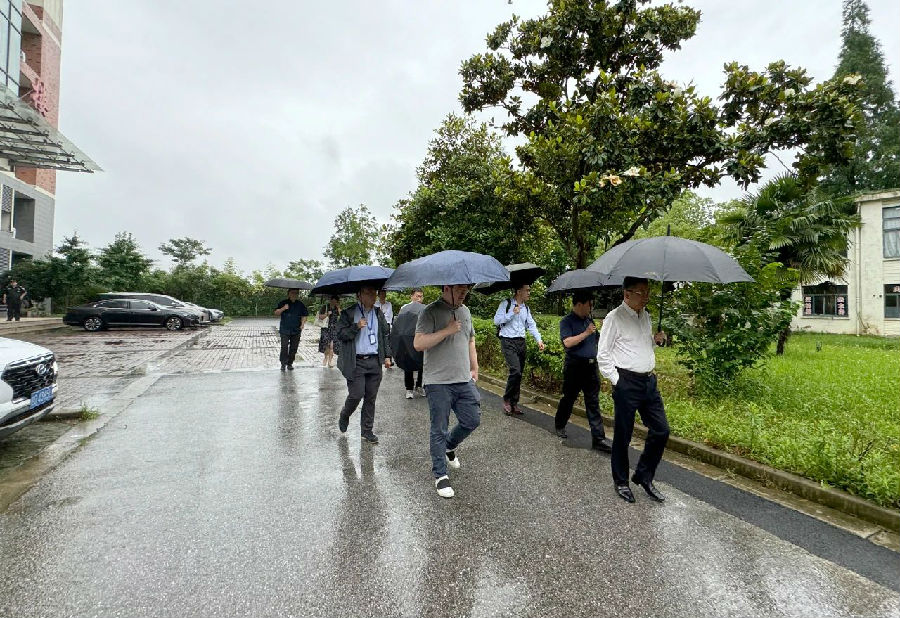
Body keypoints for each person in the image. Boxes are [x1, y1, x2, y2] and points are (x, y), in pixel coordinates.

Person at [596, 277, 670, 504]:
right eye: (642, 293)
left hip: (648, 382)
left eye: (647, 293)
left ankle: (644, 476)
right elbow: (603, 354)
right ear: (627, 294)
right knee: (623, 435)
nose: (646, 297)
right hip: (626, 382)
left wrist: (656, 341)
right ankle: (621, 481)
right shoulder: (614, 318)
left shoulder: (645, 315)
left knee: (661, 430)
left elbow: (643, 345)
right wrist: (617, 380)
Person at [414, 284, 480, 499]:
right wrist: (446, 330)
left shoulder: (465, 310)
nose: (463, 293)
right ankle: (440, 475)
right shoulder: (430, 312)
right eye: (460, 289)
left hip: (463, 379)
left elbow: (470, 339)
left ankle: (449, 446)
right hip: (438, 382)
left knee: (472, 420)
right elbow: (418, 343)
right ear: (446, 288)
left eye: (466, 290)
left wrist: (474, 366)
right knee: (438, 429)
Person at [554, 291, 613, 453]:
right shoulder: (566, 321)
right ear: (580, 304)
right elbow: (567, 342)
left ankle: (598, 438)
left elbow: (598, 340)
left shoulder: (589, 319)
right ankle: (560, 424)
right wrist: (586, 333)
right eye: (589, 304)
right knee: (569, 398)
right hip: (574, 367)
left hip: (591, 368)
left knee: (593, 402)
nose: (591, 307)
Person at [336, 285, 392, 444]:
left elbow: (385, 335)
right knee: (356, 394)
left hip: (374, 361)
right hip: (356, 362)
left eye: (374, 292)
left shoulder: (378, 313)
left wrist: (387, 356)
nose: (373, 295)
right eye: (368, 293)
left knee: (370, 398)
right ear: (358, 295)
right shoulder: (349, 313)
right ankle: (345, 414)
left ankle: (366, 431)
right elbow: (340, 334)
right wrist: (356, 326)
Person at [493, 283, 544, 416]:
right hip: (507, 340)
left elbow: (531, 325)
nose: (529, 293)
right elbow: (496, 321)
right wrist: (511, 313)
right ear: (519, 291)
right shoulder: (506, 304)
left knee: (519, 373)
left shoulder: (526, 308)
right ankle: (507, 399)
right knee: (515, 370)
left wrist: (539, 340)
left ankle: (514, 403)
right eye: (527, 290)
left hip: (521, 342)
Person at [399, 288, 425, 398]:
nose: (419, 298)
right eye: (417, 296)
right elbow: (400, 325)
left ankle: (419, 385)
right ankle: (409, 388)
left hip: (421, 339)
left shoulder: (425, 309)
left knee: (422, 364)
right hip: (407, 340)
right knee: (408, 364)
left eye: (421, 296)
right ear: (411, 296)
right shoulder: (404, 308)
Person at [274, 288, 309, 371]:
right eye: (293, 293)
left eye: (296, 293)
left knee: (294, 348)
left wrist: (302, 324)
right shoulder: (283, 303)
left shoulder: (300, 304)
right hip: (285, 329)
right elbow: (276, 313)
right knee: (284, 347)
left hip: (296, 330)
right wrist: (283, 308)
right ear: (288, 294)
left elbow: (304, 315)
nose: (294, 294)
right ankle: (283, 364)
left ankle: (290, 363)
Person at [317, 295, 342, 368]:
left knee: (332, 345)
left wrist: (338, 308)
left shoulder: (337, 308)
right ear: (330, 300)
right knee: (327, 344)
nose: (334, 302)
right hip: (326, 328)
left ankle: (330, 361)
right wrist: (327, 314)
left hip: (334, 328)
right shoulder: (325, 307)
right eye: (333, 301)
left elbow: (342, 316)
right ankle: (325, 357)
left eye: (335, 301)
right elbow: (320, 317)